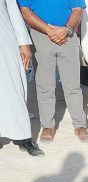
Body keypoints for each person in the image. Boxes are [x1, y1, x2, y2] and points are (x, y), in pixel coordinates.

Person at [18, 0, 88, 143]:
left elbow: (78, 9)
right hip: (40, 36)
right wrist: (49, 30)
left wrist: (67, 29)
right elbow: (25, 11)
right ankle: (47, 126)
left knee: (72, 85)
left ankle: (80, 124)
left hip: (68, 36)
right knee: (45, 85)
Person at [0, 0, 43, 156]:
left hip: (4, 41)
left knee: (13, 88)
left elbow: (12, 7)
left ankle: (24, 138)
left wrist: (23, 42)